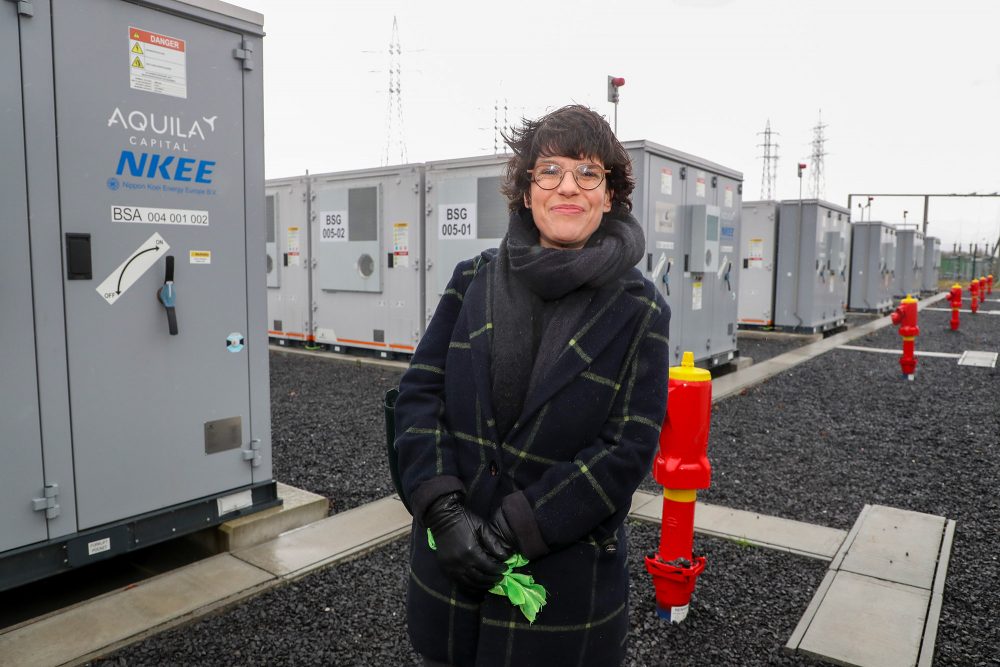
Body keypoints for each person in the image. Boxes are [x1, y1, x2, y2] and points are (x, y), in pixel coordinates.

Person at [394, 104, 670, 667]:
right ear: (526, 191)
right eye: (550, 171)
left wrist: (520, 525)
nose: (568, 187)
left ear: (610, 194)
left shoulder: (641, 310)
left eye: (588, 173)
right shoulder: (472, 280)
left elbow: (628, 447)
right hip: (451, 576)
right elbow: (418, 396)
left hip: (563, 592)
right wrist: (444, 513)